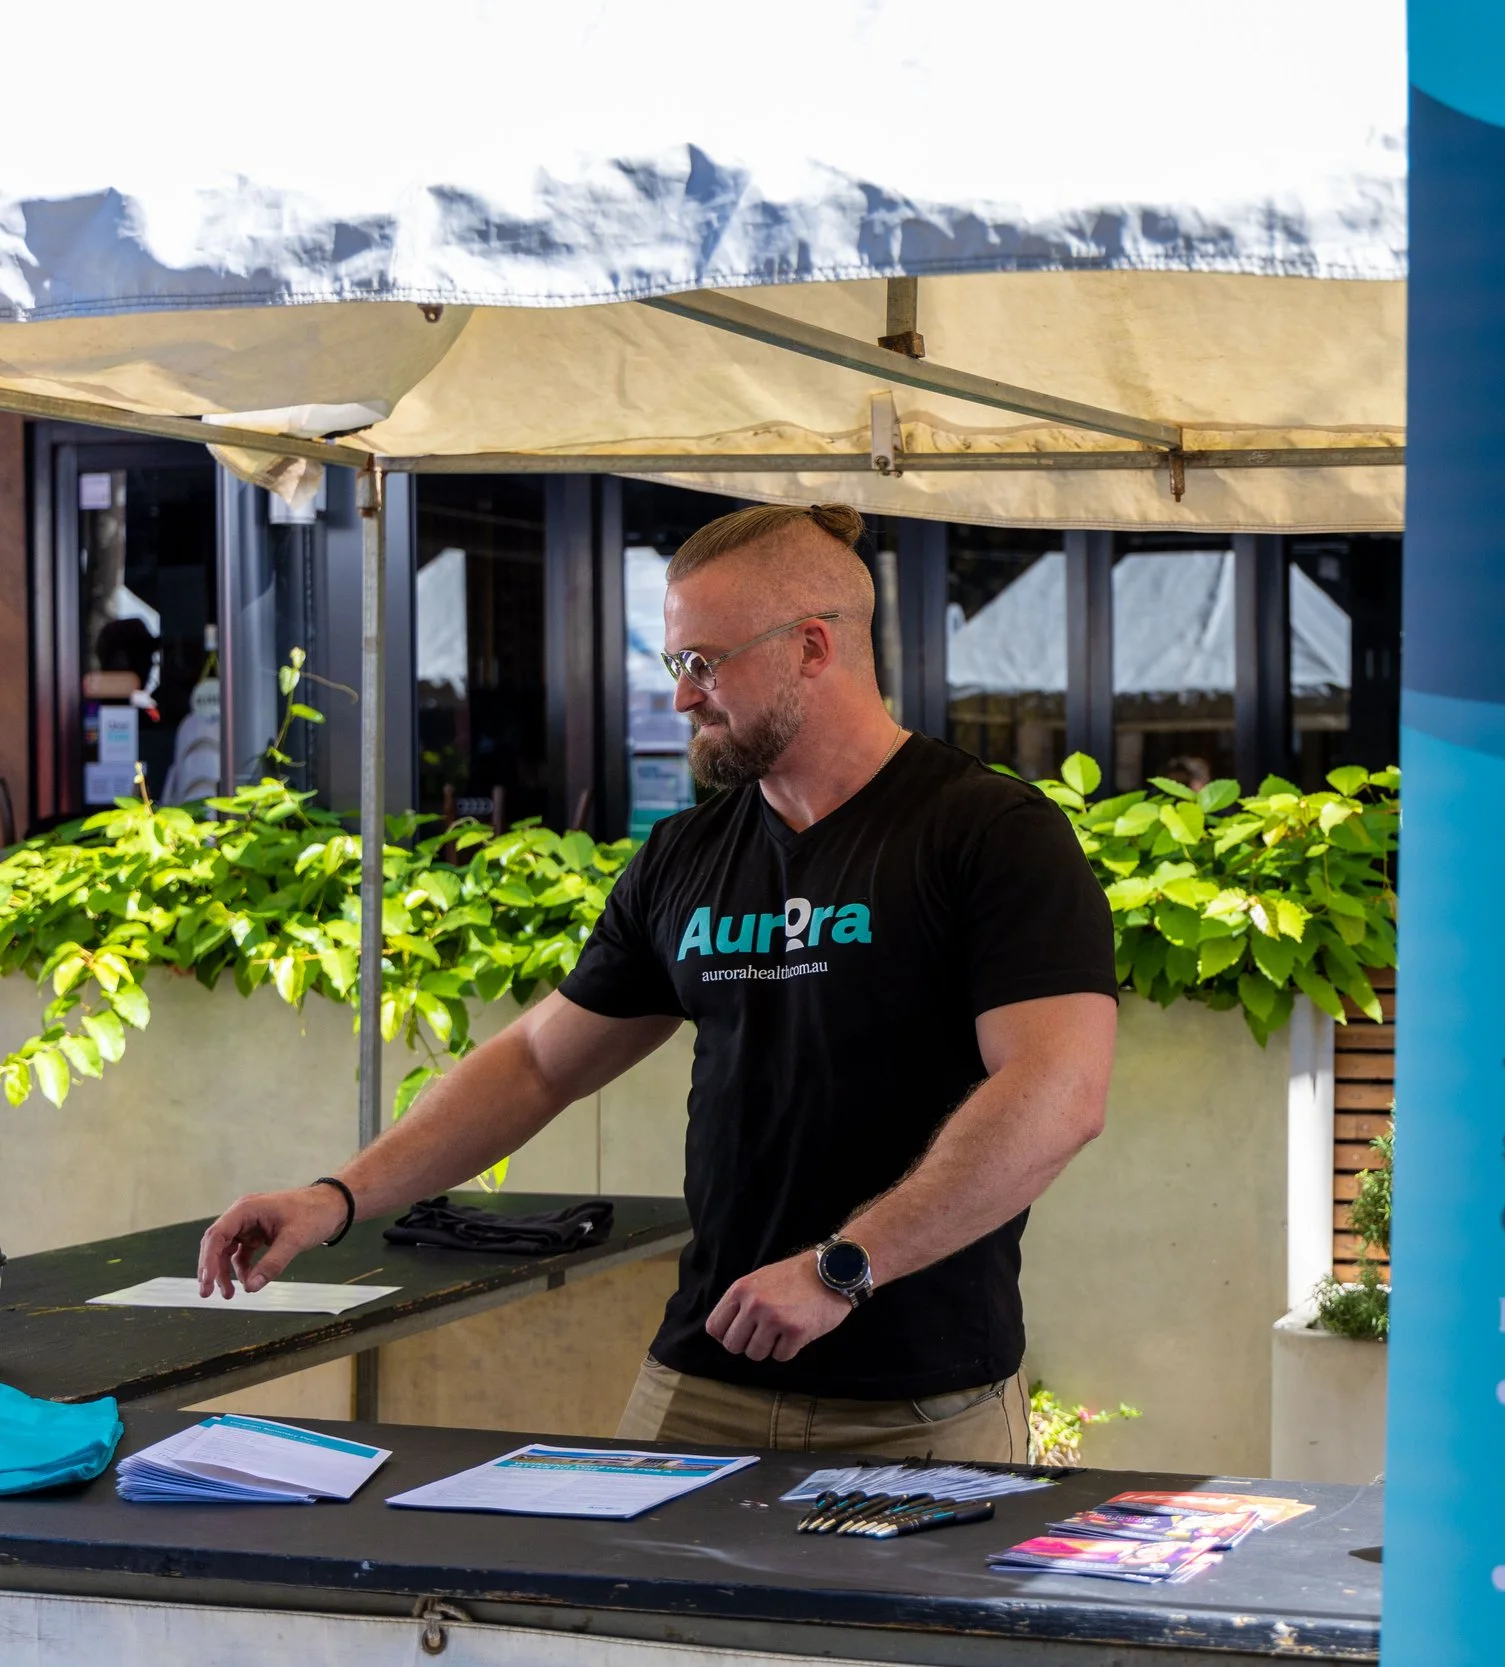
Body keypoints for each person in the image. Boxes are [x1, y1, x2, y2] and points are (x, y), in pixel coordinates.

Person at [197, 503, 1119, 1462]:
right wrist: (336, 1197)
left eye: (703, 663)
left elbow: (1057, 1094)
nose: (683, 699)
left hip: (925, 1402)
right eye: (677, 665)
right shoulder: (684, 855)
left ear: (813, 647)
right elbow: (535, 1065)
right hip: (704, 1378)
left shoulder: (990, 833)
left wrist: (842, 1270)